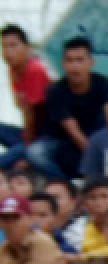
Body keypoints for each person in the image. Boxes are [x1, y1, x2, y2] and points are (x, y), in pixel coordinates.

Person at [33, 36, 108, 179]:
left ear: (91, 62)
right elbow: (73, 130)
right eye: (70, 60)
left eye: (80, 60)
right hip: (61, 139)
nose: (75, 66)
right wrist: (95, 157)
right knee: (35, 153)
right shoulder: (56, 90)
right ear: (63, 64)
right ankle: (65, 186)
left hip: (96, 136)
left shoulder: (104, 85)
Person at [0, 24, 52, 171]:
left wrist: (26, 152)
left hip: (45, 138)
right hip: (29, 134)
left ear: (27, 48)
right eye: (4, 47)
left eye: (13, 46)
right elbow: (24, 110)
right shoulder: (13, 70)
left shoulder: (35, 70)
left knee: (11, 157)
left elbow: (35, 116)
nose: (8, 52)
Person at [0, 195, 61, 264]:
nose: (10, 224)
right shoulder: (4, 249)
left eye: (15, 217)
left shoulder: (42, 243)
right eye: (5, 218)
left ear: (29, 219)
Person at [43, 178, 82, 253]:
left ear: (73, 202)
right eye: (47, 198)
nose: (51, 202)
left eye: (56, 198)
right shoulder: (36, 228)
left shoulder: (85, 229)